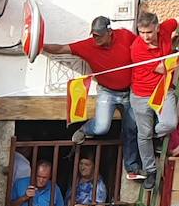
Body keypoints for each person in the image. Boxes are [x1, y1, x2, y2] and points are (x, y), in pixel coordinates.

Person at [43, 16, 141, 175]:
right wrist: (39, 45)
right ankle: (85, 129)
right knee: (102, 127)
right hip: (107, 91)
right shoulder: (88, 45)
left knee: (131, 128)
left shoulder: (125, 35)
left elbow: (142, 47)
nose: (94, 38)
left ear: (109, 32)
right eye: (93, 34)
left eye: (98, 35)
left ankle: (131, 166)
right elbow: (61, 48)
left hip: (129, 91)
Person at [128, 8, 179, 191]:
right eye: (141, 32)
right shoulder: (137, 48)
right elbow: (162, 68)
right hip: (141, 95)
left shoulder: (165, 29)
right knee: (143, 134)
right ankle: (150, 170)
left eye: (149, 32)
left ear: (157, 28)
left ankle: (153, 139)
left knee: (170, 124)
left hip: (163, 91)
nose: (145, 36)